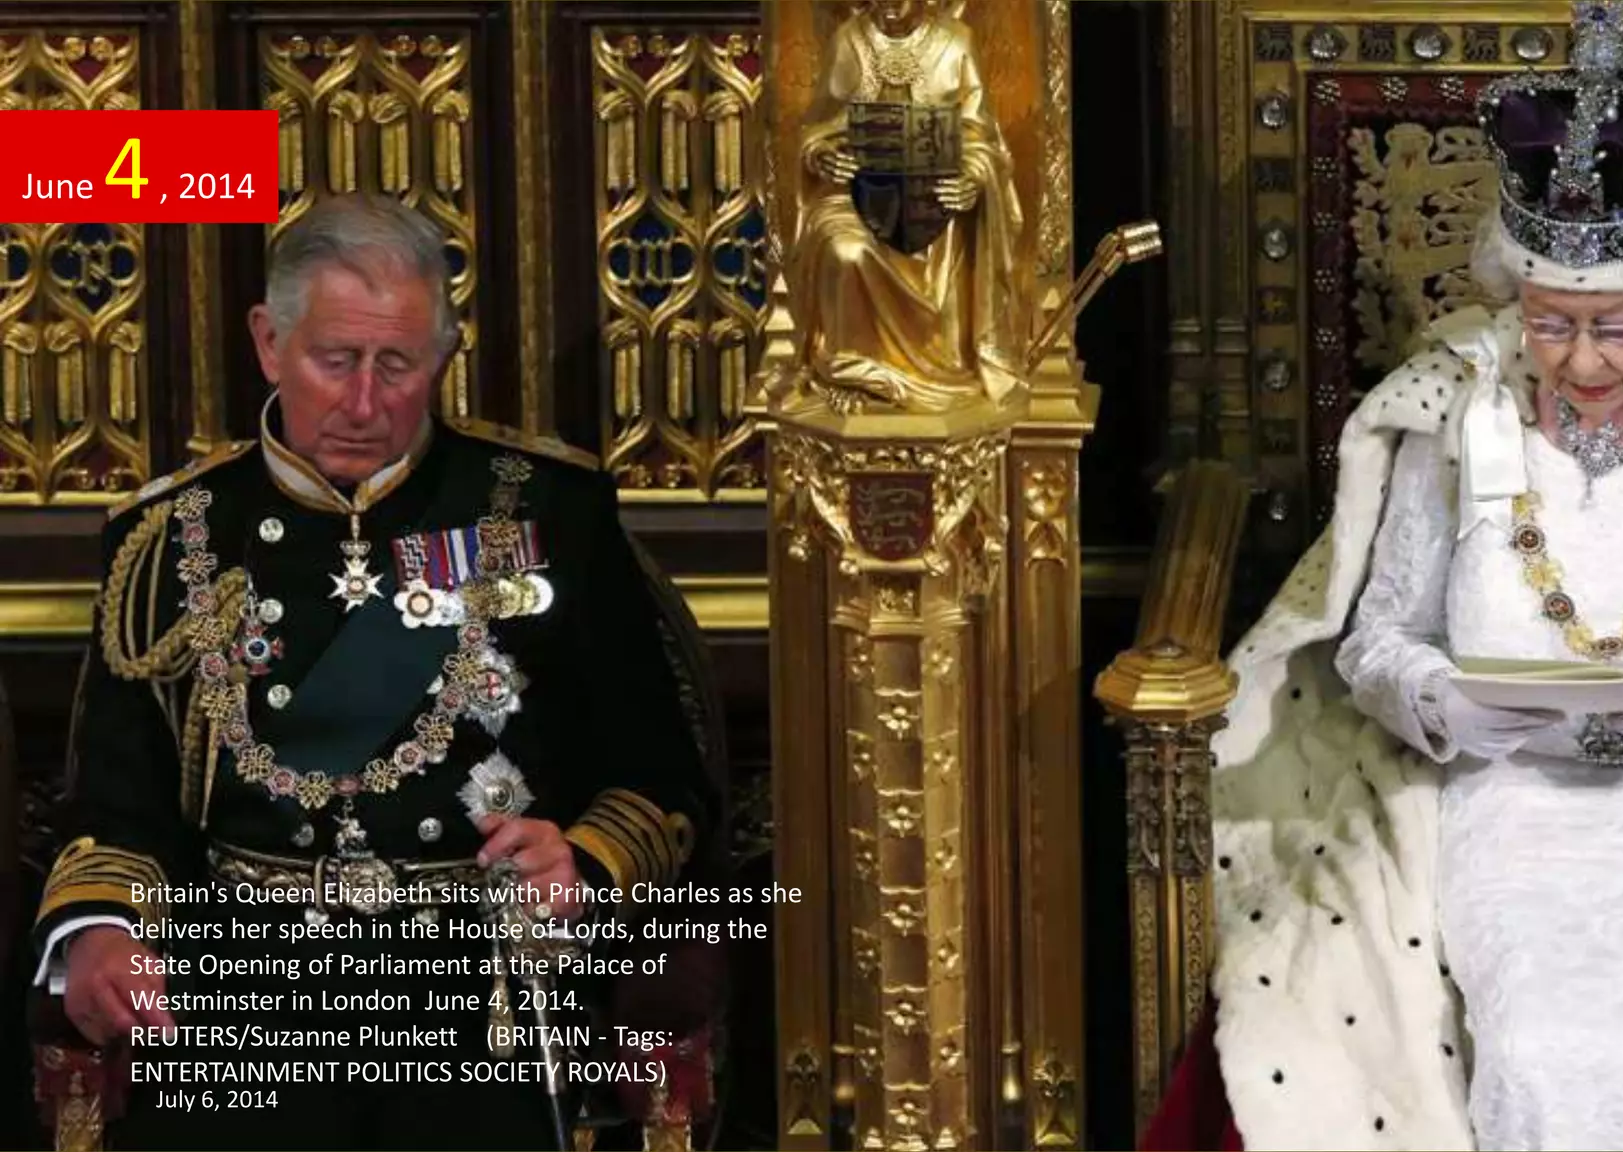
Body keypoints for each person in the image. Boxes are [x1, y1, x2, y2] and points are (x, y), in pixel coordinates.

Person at [1149, 3, 1623, 1148]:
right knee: (1548, 1043)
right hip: (1515, 807)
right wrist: (1443, 703)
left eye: (1618, 328)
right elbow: (1377, 642)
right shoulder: (1456, 393)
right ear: (1512, 298)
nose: (1582, 360)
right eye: (1550, 324)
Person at [32, 193, 722, 1150]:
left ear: (442, 358)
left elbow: (660, 772)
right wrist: (103, 932)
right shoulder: (172, 536)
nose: (364, 403)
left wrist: (585, 865)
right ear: (269, 343)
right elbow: (117, 802)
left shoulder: (545, 515)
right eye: (335, 361)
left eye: (397, 366)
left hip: (479, 991)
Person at [782, 0, 1028, 412]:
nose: (890, 5)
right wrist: (821, 154)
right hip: (856, 195)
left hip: (933, 197)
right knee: (845, 249)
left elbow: (980, 136)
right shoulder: (850, 41)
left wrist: (971, 179)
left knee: (944, 233)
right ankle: (850, 370)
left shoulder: (955, 42)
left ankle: (946, 365)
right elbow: (816, 127)